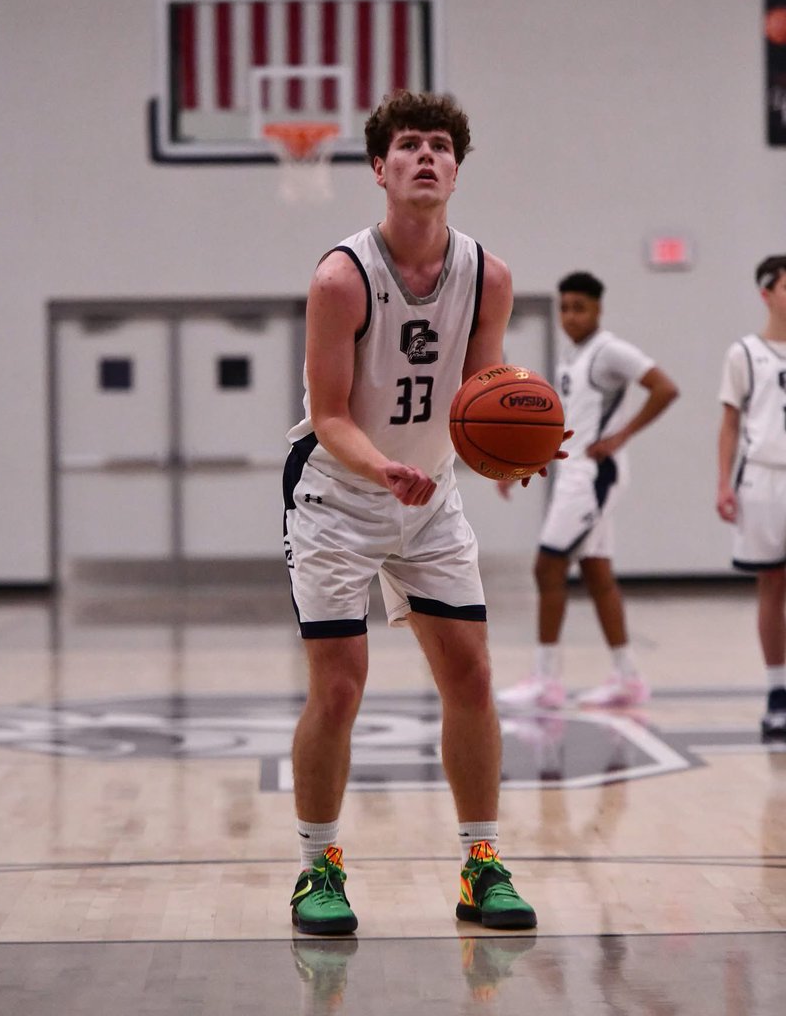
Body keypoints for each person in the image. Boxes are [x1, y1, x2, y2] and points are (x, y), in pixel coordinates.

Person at [282, 89, 559, 936]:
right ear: (379, 168)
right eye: (409, 146)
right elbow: (330, 415)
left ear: (457, 168)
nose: (427, 157)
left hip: (431, 495)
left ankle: (481, 865)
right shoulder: (341, 277)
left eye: (440, 145)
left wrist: (509, 454)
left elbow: (481, 397)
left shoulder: (489, 275)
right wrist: (383, 466)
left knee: (471, 676)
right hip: (336, 490)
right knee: (339, 688)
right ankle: (317, 871)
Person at [497, 271, 678, 709]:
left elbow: (664, 387)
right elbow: (570, 427)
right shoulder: (572, 356)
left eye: (580, 307)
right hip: (574, 472)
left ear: (598, 309)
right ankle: (628, 678)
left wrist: (621, 436)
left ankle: (545, 680)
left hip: (594, 476)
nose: (570, 316)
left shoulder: (609, 350)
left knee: (547, 567)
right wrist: (526, 461)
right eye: (564, 307)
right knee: (597, 574)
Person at [716, 254, 786, 741]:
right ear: (767, 293)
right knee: (771, 587)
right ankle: (777, 692)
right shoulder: (744, 353)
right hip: (763, 479)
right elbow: (730, 423)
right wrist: (723, 482)